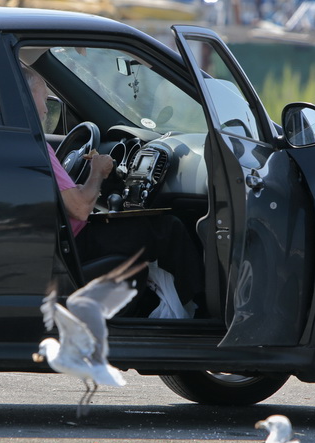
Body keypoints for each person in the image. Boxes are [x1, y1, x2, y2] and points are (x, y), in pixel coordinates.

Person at [22, 66, 205, 314]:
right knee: (168, 228)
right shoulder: (34, 144)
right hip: (72, 244)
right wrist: (97, 172)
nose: (45, 109)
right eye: (42, 99)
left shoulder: (17, 142)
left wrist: (80, 185)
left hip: (61, 239)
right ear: (26, 97)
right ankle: (197, 307)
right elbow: (80, 208)